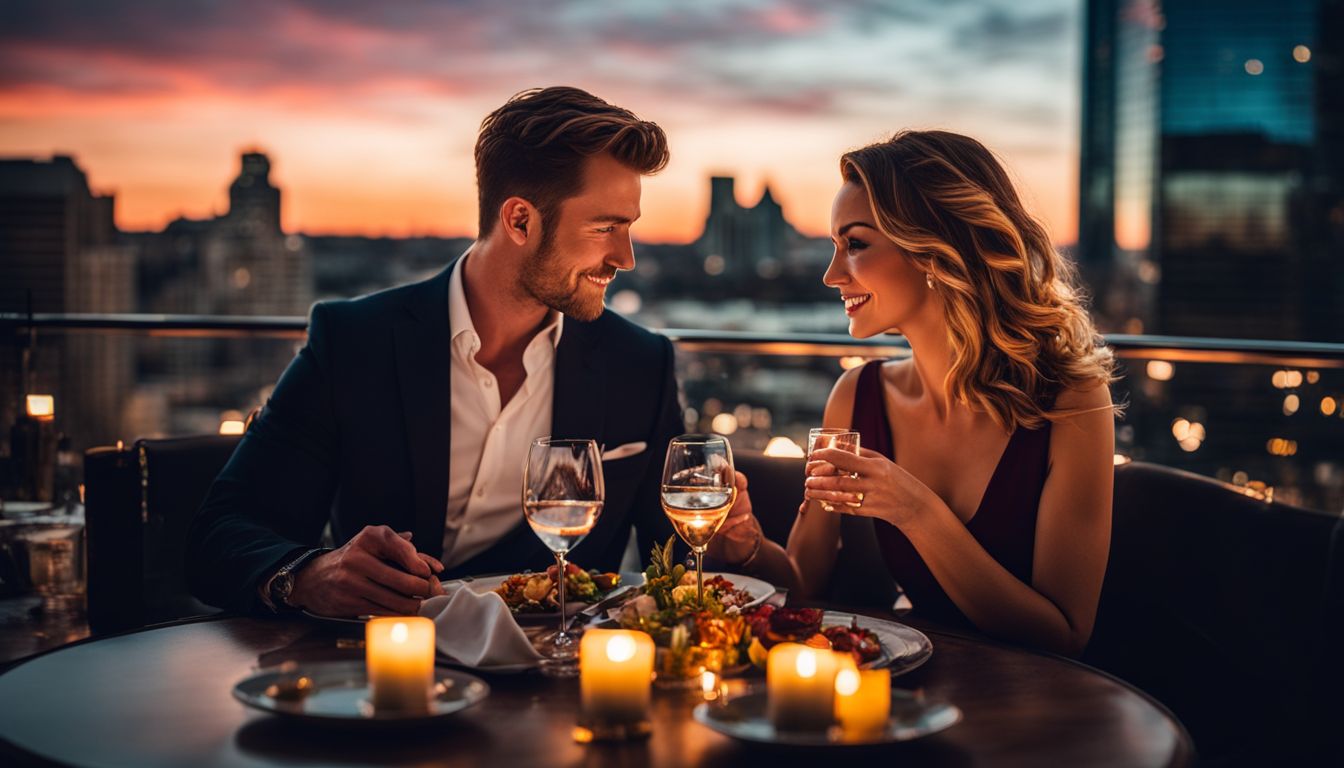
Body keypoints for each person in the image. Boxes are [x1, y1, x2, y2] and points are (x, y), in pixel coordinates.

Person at [187, 86, 692, 618]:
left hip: (563, 678)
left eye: (628, 228)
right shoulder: (354, 342)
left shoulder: (642, 364)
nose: (626, 257)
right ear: (519, 220)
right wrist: (310, 574)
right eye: (605, 227)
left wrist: (739, 540)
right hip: (384, 673)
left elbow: (679, 565)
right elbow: (220, 535)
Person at [721, 131, 1116, 657]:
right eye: (834, 247)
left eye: (855, 244)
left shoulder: (1071, 401)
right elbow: (803, 589)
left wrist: (916, 511)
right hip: (910, 697)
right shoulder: (854, 395)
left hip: (1036, 706)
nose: (831, 274)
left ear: (933, 252)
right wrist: (748, 545)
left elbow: (1065, 634)